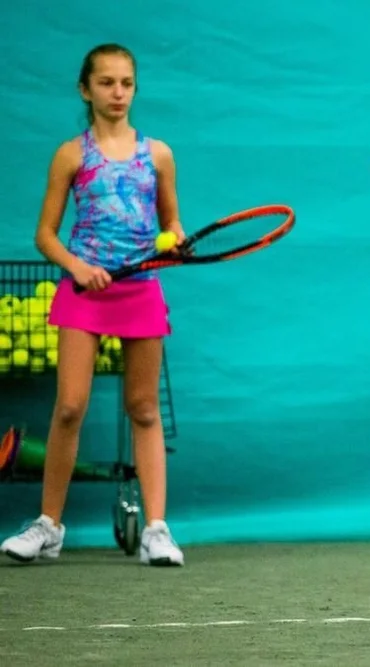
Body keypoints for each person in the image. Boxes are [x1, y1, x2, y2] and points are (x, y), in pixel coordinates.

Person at [1, 43, 186, 567]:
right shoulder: (71, 154)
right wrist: (77, 266)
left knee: (145, 409)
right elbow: (44, 234)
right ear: (86, 89)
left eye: (126, 83)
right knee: (69, 406)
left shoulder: (159, 155)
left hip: (140, 290)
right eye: (106, 83)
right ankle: (49, 527)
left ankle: (156, 530)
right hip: (83, 293)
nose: (118, 93)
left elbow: (171, 223)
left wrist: (174, 239)